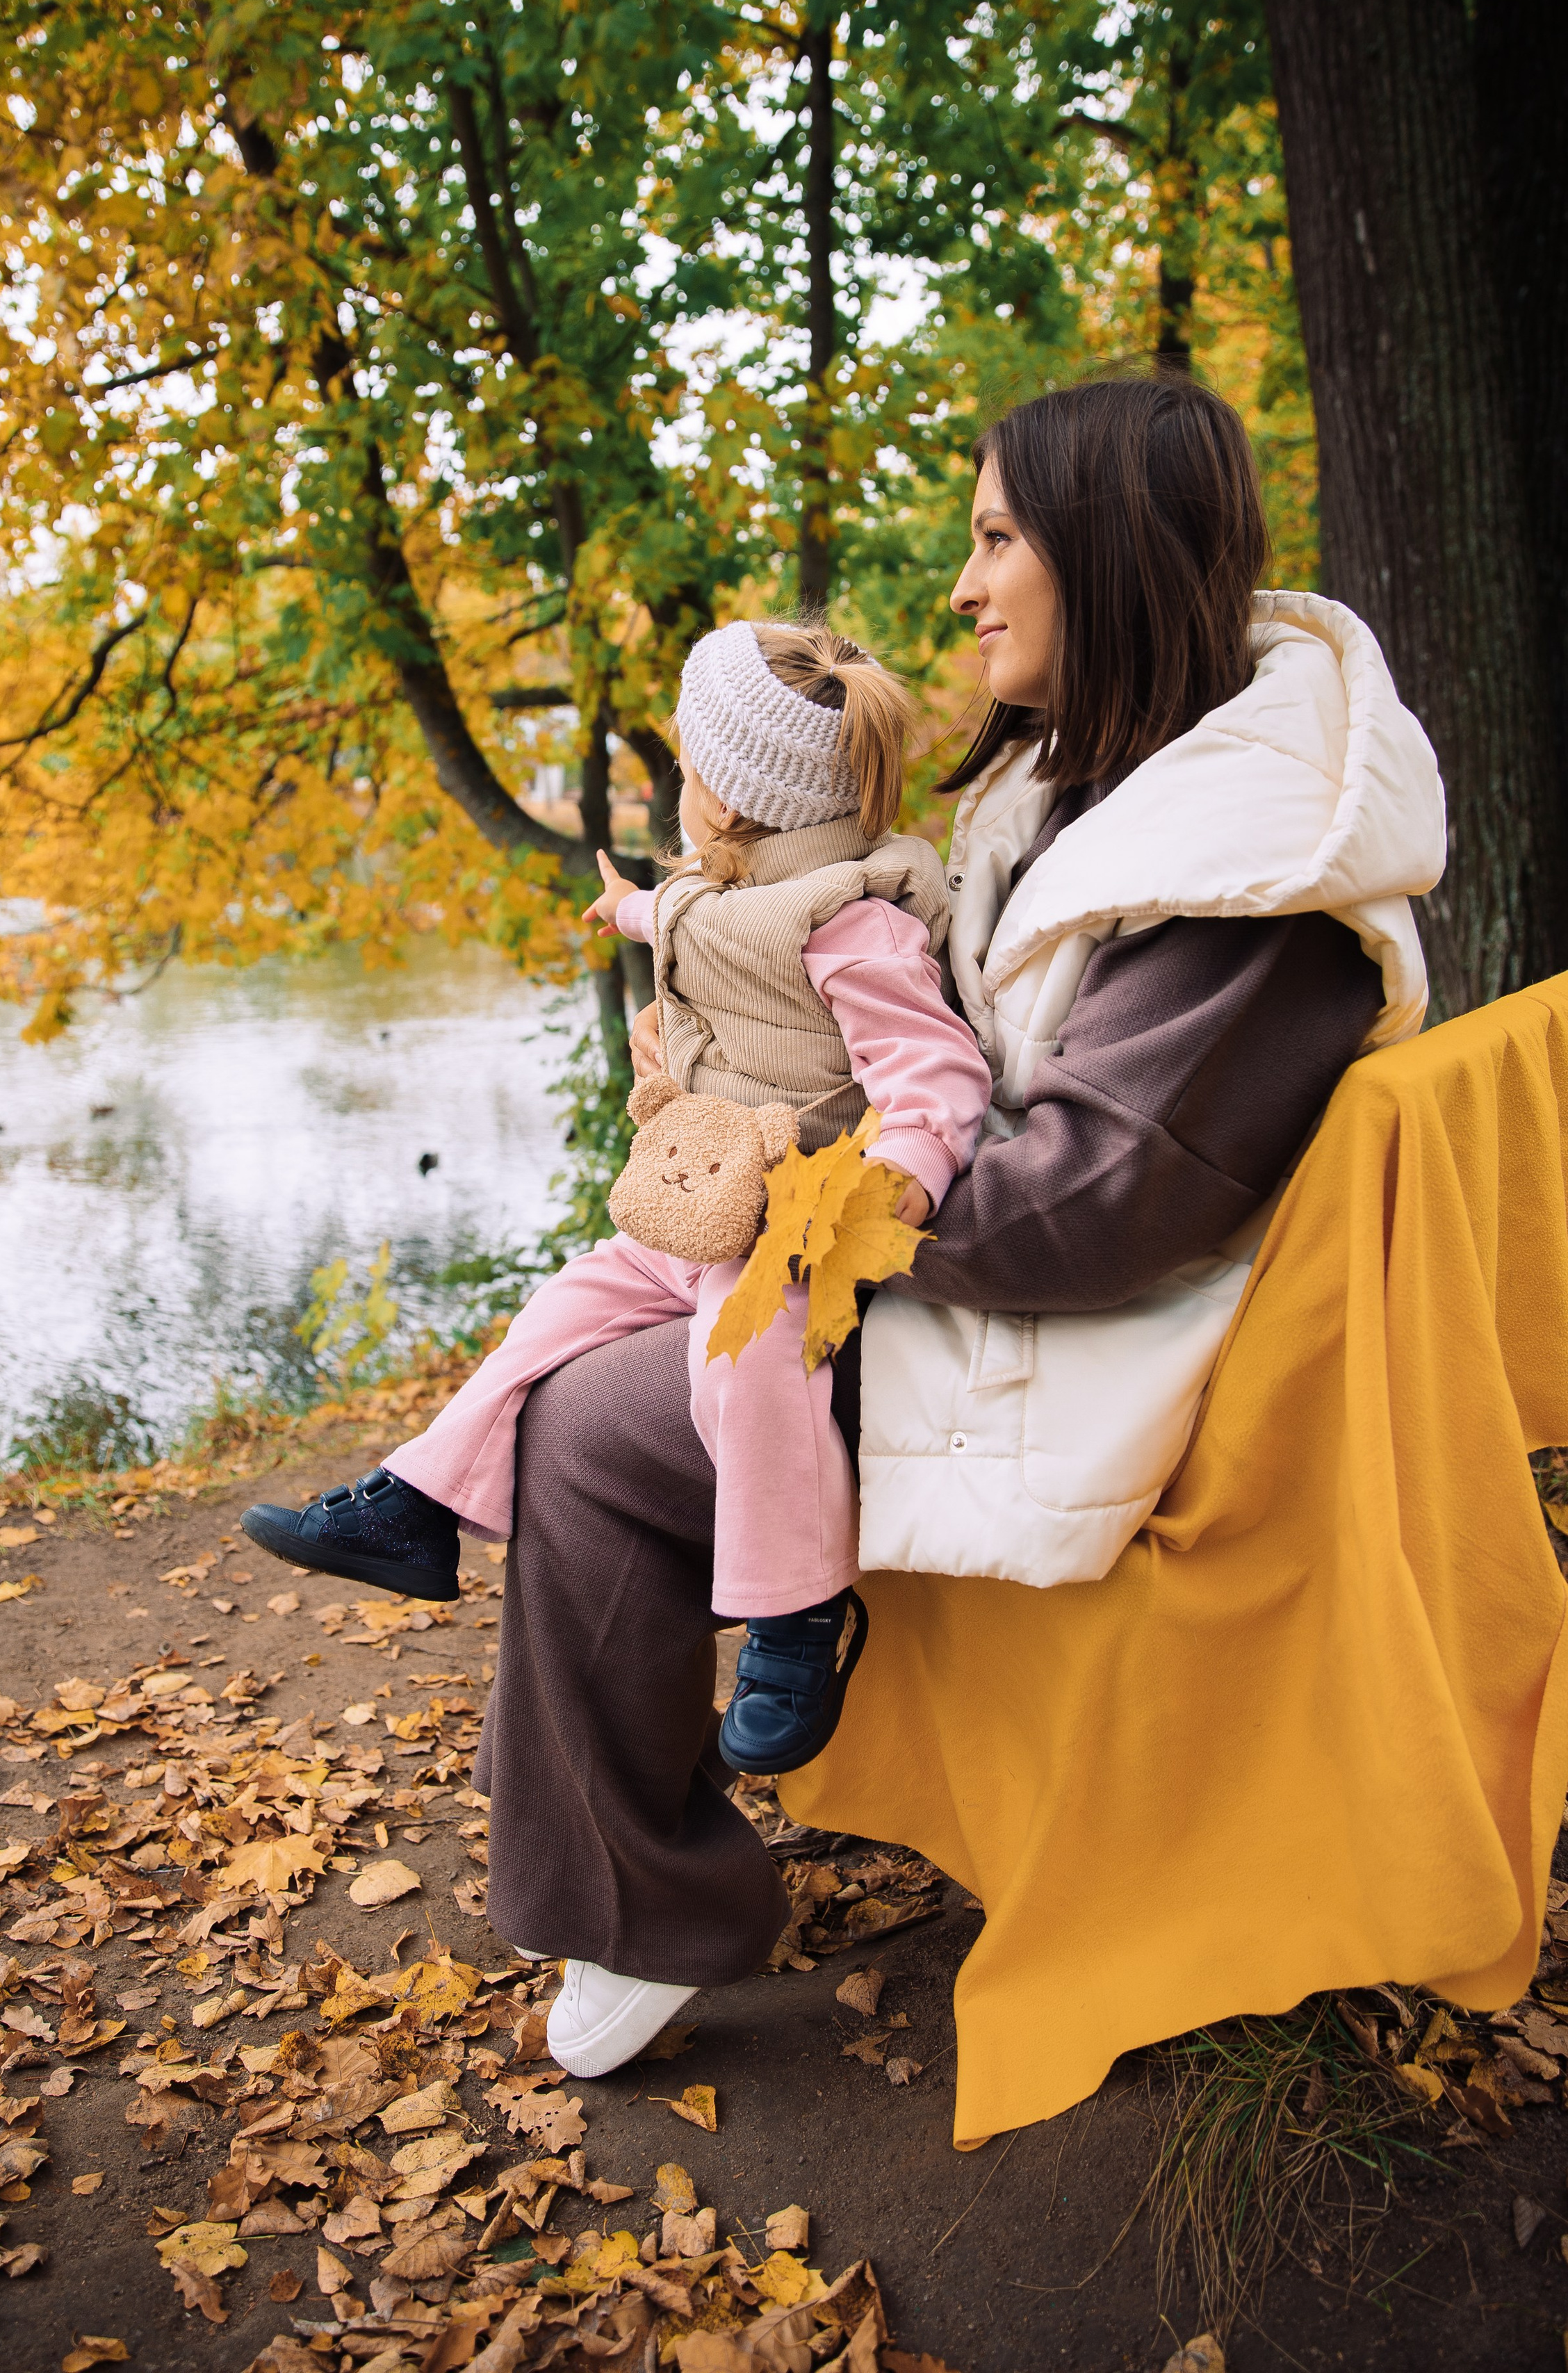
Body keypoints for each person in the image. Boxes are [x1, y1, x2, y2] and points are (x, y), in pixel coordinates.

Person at [445, 373, 1442, 2083]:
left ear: (1107, 555)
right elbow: (983, 1083)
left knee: (594, 1423)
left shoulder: (1245, 870)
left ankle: (638, 1903)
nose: (965, 586)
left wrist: (780, 1183)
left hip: (1091, 1353)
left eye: (996, 540)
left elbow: (1079, 1202)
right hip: (986, 1290)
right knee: (603, 1349)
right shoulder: (1112, 796)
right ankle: (634, 1849)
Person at [243, 621, 993, 1798]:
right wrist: (627, 912)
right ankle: (418, 1506)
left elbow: (936, 1076)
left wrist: (898, 1176)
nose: (682, 788)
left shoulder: (856, 924)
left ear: (739, 803)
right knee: (560, 1307)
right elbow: (685, 917)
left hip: (795, 1224)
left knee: (742, 1364)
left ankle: (795, 1616)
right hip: (702, 1200)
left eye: (691, 767)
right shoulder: (728, 884)